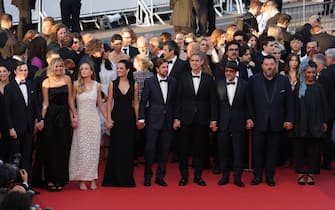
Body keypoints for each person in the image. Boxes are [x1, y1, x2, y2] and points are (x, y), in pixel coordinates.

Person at [247, 55, 294, 186]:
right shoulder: (253, 80)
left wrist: (289, 119)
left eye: (271, 64)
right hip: (258, 122)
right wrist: (249, 117)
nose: (269, 67)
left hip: (277, 122)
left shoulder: (284, 80)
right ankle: (257, 176)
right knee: (257, 151)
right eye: (266, 64)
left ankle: (270, 176)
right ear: (262, 66)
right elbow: (249, 102)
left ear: (276, 65)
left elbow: (289, 102)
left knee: (273, 152)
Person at [174, 51, 218, 186]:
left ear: (202, 62)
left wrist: (213, 119)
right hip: (185, 118)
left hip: (202, 119)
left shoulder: (209, 79)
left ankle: (198, 176)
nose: (194, 63)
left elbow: (213, 101)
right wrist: (176, 118)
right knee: (184, 150)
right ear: (189, 62)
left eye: (197, 61)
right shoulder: (182, 77)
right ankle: (184, 177)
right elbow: (178, 100)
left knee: (200, 150)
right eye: (192, 60)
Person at [138, 58, 177, 187]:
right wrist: (141, 118)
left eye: (167, 67)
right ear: (157, 69)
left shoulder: (173, 81)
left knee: (164, 150)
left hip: (168, 121)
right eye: (163, 67)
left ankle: (160, 177)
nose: (166, 70)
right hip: (153, 121)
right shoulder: (149, 82)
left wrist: (176, 118)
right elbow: (143, 101)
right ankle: (147, 176)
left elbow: (176, 102)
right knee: (150, 149)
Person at [37, 58, 75, 191]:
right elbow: (45, 103)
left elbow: (70, 99)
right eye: (56, 67)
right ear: (52, 68)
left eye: (60, 66)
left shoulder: (67, 79)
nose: (59, 69)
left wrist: (74, 115)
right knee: (51, 148)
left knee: (63, 147)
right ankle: (51, 179)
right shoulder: (46, 82)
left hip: (64, 116)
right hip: (51, 118)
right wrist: (41, 118)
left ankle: (61, 179)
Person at [69, 61, 107, 190]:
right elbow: (71, 101)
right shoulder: (76, 85)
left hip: (93, 120)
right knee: (81, 149)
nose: (83, 71)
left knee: (93, 149)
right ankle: (82, 179)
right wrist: (74, 116)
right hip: (81, 120)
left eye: (86, 69)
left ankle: (92, 177)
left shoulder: (97, 85)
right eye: (82, 69)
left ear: (91, 71)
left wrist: (108, 119)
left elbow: (100, 105)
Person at [102, 60, 139, 187]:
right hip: (116, 117)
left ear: (128, 70)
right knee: (116, 146)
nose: (118, 71)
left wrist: (138, 119)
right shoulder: (113, 84)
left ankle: (126, 178)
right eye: (117, 69)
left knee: (128, 147)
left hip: (129, 118)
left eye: (121, 68)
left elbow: (135, 103)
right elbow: (110, 102)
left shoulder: (134, 84)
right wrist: (108, 118)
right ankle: (113, 178)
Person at [4, 61, 44, 171]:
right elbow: (7, 110)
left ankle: (25, 182)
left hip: (29, 127)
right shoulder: (9, 87)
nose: (23, 72)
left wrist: (40, 119)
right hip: (16, 128)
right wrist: (11, 128)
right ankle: (13, 181)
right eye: (21, 70)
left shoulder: (31, 85)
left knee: (27, 155)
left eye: (25, 70)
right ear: (15, 71)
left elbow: (36, 104)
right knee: (15, 155)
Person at [293, 60, 328, 185]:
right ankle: (301, 173)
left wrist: (324, 122)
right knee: (299, 149)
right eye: (308, 72)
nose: (311, 75)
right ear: (304, 73)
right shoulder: (298, 87)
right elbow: (293, 106)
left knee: (315, 150)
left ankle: (312, 173)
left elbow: (324, 106)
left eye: (313, 72)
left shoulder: (319, 88)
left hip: (315, 123)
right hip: (300, 123)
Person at [216, 61, 248, 187]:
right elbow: (215, 104)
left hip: (238, 121)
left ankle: (237, 176)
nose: (228, 73)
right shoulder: (219, 84)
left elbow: (248, 104)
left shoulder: (245, 85)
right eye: (227, 71)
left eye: (231, 71)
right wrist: (214, 120)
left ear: (236, 72)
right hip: (223, 122)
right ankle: (224, 176)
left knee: (238, 150)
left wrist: (249, 118)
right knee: (223, 150)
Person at [0, 65, 10, 162]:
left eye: (4, 71)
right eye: (0, 72)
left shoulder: (13, 86)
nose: (2, 74)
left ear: (9, 73)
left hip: (11, 121)